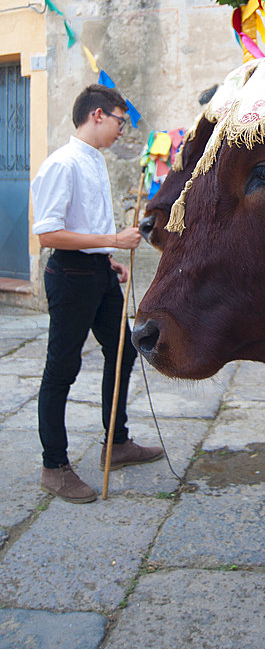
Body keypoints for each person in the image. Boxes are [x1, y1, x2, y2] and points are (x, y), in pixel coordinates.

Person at [31, 83, 163, 503]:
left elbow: (84, 224)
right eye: (121, 121)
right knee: (61, 369)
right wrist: (111, 238)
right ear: (98, 115)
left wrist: (107, 257)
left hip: (97, 273)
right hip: (70, 276)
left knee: (123, 352)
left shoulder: (94, 161)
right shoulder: (62, 164)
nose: (123, 129)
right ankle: (54, 465)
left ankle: (117, 442)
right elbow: (47, 234)